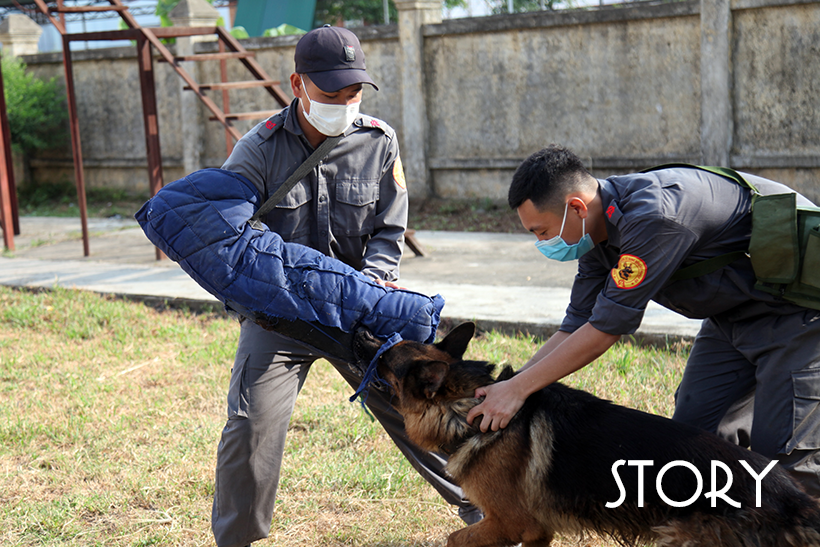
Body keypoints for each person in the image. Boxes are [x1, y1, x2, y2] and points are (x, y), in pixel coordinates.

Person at [212, 26, 477, 547]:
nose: (345, 104)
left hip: (360, 314)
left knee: (427, 406)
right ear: (298, 85)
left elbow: (388, 227)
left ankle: (489, 508)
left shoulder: (378, 140)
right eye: (332, 94)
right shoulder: (258, 149)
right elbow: (229, 234)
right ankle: (236, 540)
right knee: (249, 430)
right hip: (281, 318)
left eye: (354, 93)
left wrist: (375, 283)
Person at [467, 144, 820, 497]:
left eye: (541, 232)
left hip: (795, 316)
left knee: (784, 461)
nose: (542, 243)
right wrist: (514, 384)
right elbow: (576, 324)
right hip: (730, 316)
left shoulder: (654, 217)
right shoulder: (596, 234)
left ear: (576, 207)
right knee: (694, 442)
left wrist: (518, 390)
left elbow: (605, 329)